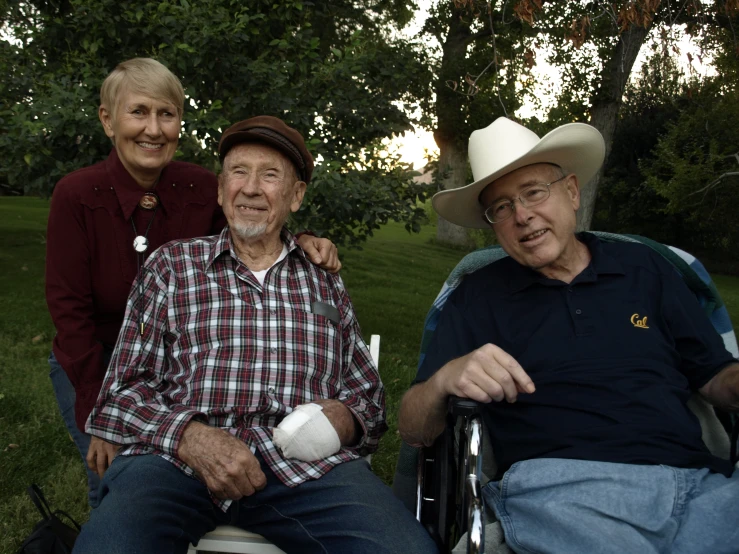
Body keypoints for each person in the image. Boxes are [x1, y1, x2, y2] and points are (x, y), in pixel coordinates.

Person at [72, 115, 438, 554]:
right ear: (221, 187)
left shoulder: (322, 279)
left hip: (305, 467)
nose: (250, 188)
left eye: (269, 176)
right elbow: (121, 392)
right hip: (176, 460)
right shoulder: (172, 267)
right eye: (239, 172)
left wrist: (344, 419)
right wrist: (191, 437)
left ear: (296, 195)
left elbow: (368, 395)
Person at [398, 117, 739, 553]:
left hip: (698, 487)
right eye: (500, 208)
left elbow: (714, 375)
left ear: (572, 192)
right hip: (563, 492)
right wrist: (446, 379)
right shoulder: (477, 297)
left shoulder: (647, 270)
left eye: (534, 192)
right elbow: (413, 428)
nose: (522, 215)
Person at [45, 58, 340, 508]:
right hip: (94, 355)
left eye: (167, 114)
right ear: (108, 120)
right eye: (138, 112)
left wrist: (303, 239)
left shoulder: (200, 186)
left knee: (158, 459)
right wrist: (99, 417)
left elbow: (256, 226)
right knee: (109, 470)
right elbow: (70, 314)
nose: (154, 128)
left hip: (169, 356)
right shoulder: (76, 195)